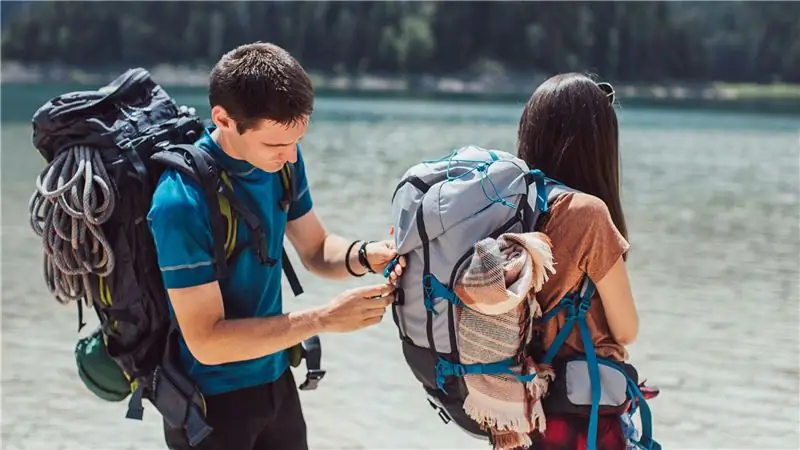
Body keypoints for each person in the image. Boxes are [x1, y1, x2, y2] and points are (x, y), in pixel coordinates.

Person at [146, 42, 405, 450]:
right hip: (210, 406)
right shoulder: (180, 202)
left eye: (296, 141)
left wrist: (365, 255)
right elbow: (207, 342)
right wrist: (323, 319)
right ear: (224, 119)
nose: (290, 157)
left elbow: (317, 249)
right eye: (275, 146)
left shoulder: (282, 163)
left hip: (277, 383)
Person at [515, 72, 640, 450]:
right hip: (580, 416)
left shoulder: (515, 206)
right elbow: (626, 330)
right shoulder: (586, 214)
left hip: (523, 412)